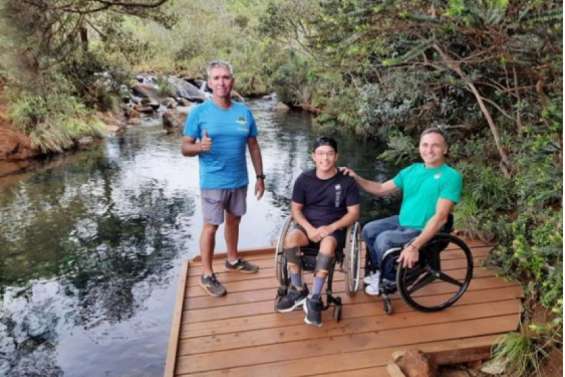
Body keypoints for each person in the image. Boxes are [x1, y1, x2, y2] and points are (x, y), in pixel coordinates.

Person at [341, 128, 462, 295]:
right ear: (419, 147)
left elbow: (441, 217)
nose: (429, 150)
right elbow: (381, 188)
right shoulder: (412, 170)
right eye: (425, 145)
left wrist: (414, 246)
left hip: (423, 227)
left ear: (445, 149)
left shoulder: (451, 176)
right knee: (369, 229)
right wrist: (356, 178)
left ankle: (390, 280)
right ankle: (379, 270)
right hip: (402, 220)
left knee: (384, 239)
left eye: (435, 146)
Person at [181, 60, 265, 297]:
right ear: (209, 83)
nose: (221, 82)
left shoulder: (243, 112)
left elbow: (254, 146)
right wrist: (199, 146)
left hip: (239, 179)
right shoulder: (199, 113)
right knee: (210, 227)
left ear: (232, 81)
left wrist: (260, 176)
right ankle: (207, 274)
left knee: (234, 221)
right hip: (213, 181)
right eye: (216, 78)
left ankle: (232, 259)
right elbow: (184, 148)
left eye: (225, 77)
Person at [276, 136, 360, 327]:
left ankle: (315, 298)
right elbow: (295, 210)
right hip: (308, 228)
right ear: (313, 156)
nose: (325, 158)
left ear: (336, 156)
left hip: (334, 229)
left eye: (329, 154)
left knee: (328, 243)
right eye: (320, 154)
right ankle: (298, 289)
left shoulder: (347, 181)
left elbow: (354, 213)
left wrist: (330, 228)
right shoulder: (304, 179)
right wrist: (310, 229)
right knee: (290, 239)